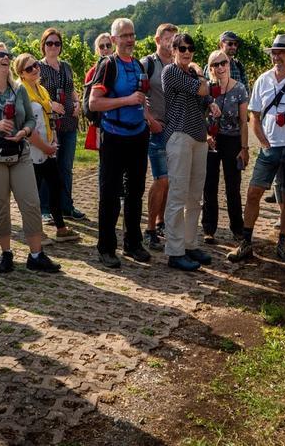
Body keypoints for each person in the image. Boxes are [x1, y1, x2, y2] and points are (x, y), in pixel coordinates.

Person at [0, 42, 61, 274]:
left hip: (19, 153)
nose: (6, 57)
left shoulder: (18, 90)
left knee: (31, 202)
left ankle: (36, 255)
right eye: (0, 54)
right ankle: (6, 253)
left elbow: (29, 119)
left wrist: (25, 132)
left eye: (8, 54)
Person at [228, 34, 285, 263]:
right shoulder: (263, 80)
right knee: (253, 193)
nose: (276, 57)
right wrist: (264, 143)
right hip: (270, 149)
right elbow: (254, 116)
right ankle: (246, 243)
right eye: (274, 53)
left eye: (281, 53)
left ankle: (283, 243)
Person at [88, 18, 152, 269]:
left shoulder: (138, 65)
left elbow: (140, 99)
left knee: (135, 192)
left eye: (132, 35)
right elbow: (94, 103)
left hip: (137, 135)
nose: (129, 40)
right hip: (113, 136)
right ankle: (106, 247)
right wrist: (126, 100)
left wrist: (146, 116)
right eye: (124, 35)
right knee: (110, 195)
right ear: (113, 40)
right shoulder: (108, 65)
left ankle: (133, 243)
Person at [161, 34, 219, 271]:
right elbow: (204, 89)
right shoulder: (171, 72)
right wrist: (203, 78)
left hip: (198, 137)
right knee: (177, 194)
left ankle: (189, 244)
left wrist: (211, 102)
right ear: (173, 50)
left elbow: (205, 98)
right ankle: (175, 252)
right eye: (182, 48)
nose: (186, 52)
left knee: (195, 196)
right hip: (179, 136)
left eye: (190, 48)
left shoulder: (192, 74)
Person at [15, 52, 80, 243]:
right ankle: (35, 232)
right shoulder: (22, 92)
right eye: (29, 68)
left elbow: (47, 118)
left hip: (47, 147)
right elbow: (26, 125)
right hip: (32, 149)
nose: (35, 69)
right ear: (21, 74)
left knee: (55, 185)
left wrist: (52, 142)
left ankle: (61, 228)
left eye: (35, 65)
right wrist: (45, 146)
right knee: (33, 193)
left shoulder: (42, 90)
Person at [201, 49, 249, 245]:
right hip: (212, 140)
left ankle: (237, 228)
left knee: (233, 186)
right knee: (209, 186)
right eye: (215, 64)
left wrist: (244, 148)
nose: (220, 67)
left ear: (229, 65)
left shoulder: (239, 89)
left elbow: (244, 122)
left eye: (223, 63)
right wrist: (205, 136)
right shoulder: (205, 89)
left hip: (232, 140)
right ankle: (209, 228)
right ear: (210, 68)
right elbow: (200, 117)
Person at [38, 28, 85, 221]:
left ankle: (67, 205)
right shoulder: (38, 67)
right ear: (43, 45)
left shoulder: (66, 66)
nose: (53, 47)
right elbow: (32, 93)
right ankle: (46, 208)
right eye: (49, 43)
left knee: (66, 167)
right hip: (49, 125)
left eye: (57, 43)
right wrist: (50, 104)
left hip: (68, 123)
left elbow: (71, 89)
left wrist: (77, 103)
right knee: (49, 167)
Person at [141, 23, 177, 251]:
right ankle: (150, 228)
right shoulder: (148, 64)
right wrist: (149, 120)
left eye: (175, 38)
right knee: (161, 179)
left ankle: (162, 222)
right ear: (157, 40)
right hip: (156, 129)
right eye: (167, 37)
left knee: (170, 181)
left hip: (175, 131)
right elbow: (138, 94)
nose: (171, 41)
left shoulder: (178, 65)